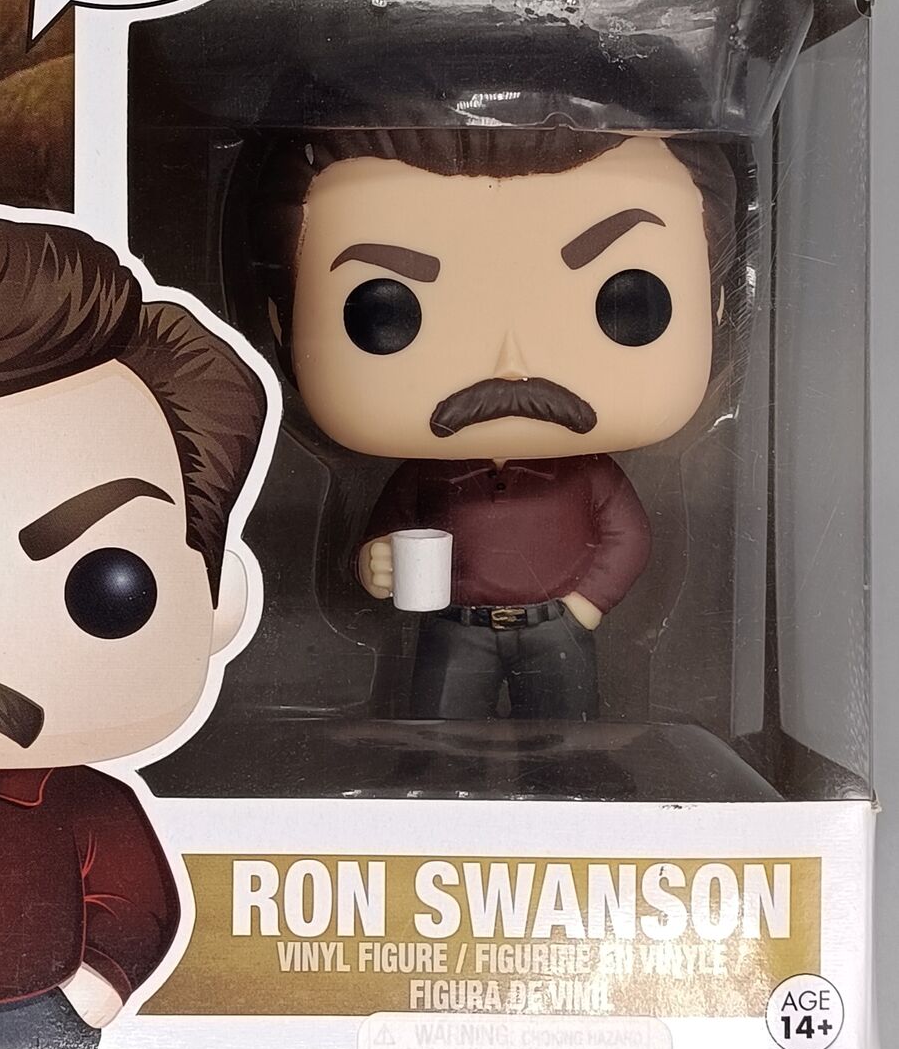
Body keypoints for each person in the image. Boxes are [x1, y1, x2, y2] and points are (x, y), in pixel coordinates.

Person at [0, 217, 269, 1049]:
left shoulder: (85, 803)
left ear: (218, 601)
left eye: (104, 587)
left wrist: (94, 986)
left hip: (32, 1019)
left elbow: (136, 898)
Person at [254, 126, 736, 720]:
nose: (511, 365)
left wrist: (586, 605)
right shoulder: (425, 477)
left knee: (566, 743)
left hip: (554, 626)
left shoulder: (587, 474)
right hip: (455, 628)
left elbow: (629, 537)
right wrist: (373, 562)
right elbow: (386, 535)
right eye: (385, 311)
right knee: (435, 736)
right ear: (282, 324)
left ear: (715, 307)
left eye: (628, 303)